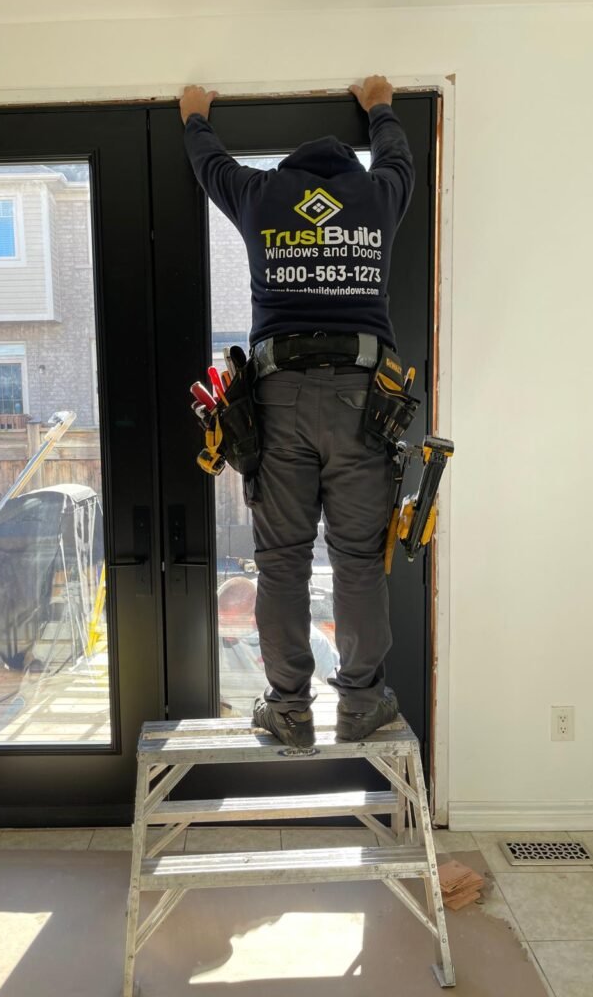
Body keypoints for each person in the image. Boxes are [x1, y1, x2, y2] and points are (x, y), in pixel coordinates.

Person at [180, 77, 414, 747]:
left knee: (282, 561)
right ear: (349, 168)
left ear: (289, 171)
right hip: (365, 403)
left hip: (277, 402)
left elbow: (210, 166)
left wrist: (197, 115)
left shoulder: (262, 195)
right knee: (358, 561)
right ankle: (362, 701)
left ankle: (289, 709)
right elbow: (399, 157)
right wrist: (380, 107)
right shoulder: (375, 193)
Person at [217, 575, 338, 716]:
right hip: (228, 708)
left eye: (230, 625)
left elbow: (334, 670)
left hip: (274, 711)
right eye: (220, 621)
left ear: (255, 617)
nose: (222, 630)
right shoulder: (214, 625)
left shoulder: (292, 629)